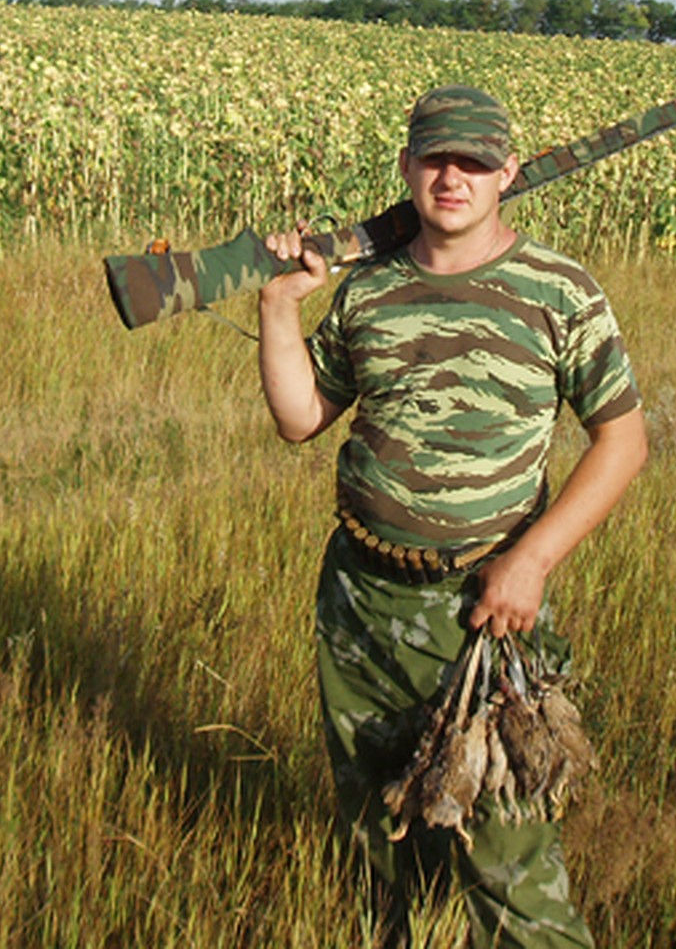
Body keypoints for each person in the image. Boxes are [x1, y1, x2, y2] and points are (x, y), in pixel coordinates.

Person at [258, 85, 648, 948]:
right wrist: (279, 307)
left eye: (474, 161)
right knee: (377, 842)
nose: (453, 176)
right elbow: (299, 418)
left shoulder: (558, 290)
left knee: (510, 862)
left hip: (484, 614)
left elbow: (622, 442)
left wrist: (533, 561)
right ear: (407, 169)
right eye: (436, 158)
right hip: (362, 599)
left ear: (506, 172)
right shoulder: (369, 291)